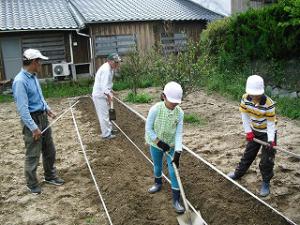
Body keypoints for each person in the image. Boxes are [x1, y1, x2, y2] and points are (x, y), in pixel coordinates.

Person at [12, 49, 64, 195]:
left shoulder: (33, 77)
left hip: (42, 117)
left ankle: (50, 176)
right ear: (33, 62)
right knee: (33, 153)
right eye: (39, 61)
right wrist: (34, 128)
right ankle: (32, 183)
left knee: (49, 149)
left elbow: (40, 98)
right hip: (31, 120)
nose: (41, 64)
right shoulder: (20, 81)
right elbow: (23, 109)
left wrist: (48, 109)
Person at [227, 75, 277, 197]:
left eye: (257, 94)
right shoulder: (245, 99)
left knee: (266, 160)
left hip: (267, 134)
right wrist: (248, 131)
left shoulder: (269, 104)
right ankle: (239, 173)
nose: (254, 97)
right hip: (254, 131)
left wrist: (271, 140)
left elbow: (271, 124)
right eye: (252, 94)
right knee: (248, 154)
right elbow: (244, 115)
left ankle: (265, 182)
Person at [145, 81, 185, 214]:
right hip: (155, 143)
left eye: (176, 102)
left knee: (174, 171)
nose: (174, 104)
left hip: (172, 145)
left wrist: (178, 151)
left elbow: (179, 133)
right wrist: (159, 142)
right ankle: (157, 183)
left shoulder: (179, 113)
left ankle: (176, 200)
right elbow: (148, 128)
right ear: (163, 96)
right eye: (172, 101)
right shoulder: (156, 109)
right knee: (157, 165)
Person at [92, 53, 121, 139]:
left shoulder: (110, 68)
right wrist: (109, 96)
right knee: (103, 115)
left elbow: (107, 84)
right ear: (109, 61)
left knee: (108, 113)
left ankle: (109, 129)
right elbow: (104, 87)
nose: (117, 64)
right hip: (100, 95)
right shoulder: (106, 70)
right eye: (116, 62)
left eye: (118, 62)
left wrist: (111, 91)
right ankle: (106, 134)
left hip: (104, 93)